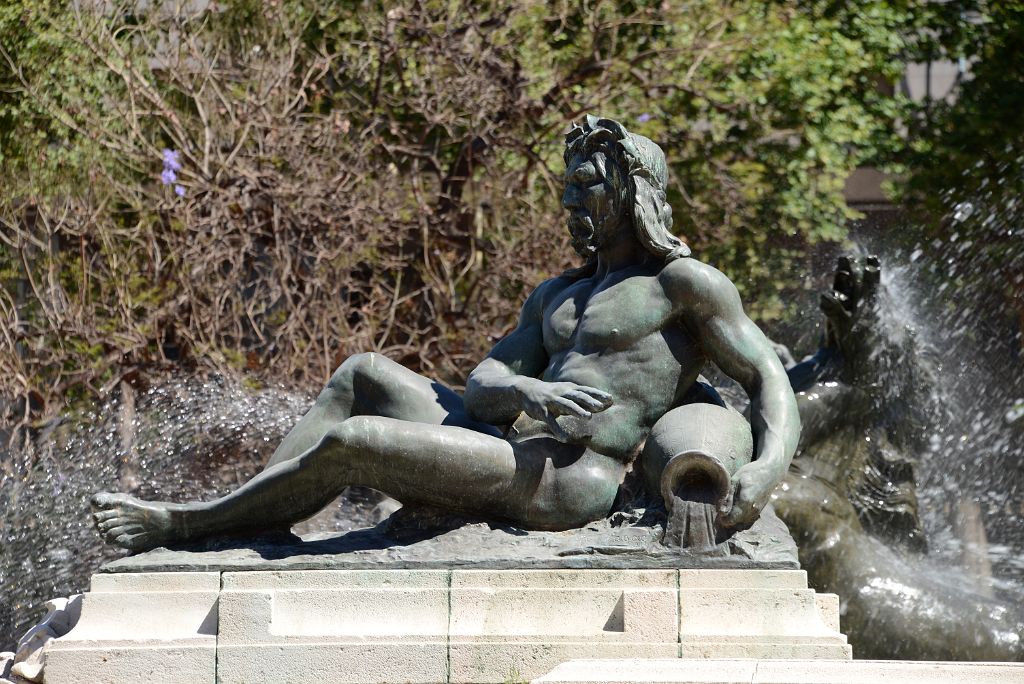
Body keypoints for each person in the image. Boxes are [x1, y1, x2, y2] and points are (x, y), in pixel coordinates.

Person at [92, 116, 800, 552]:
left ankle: (189, 524)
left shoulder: (685, 285)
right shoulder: (558, 293)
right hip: (514, 442)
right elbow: (484, 383)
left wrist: (765, 471)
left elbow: (768, 378)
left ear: (632, 191)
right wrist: (527, 387)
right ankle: (255, 518)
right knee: (360, 374)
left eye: (585, 185)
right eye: (565, 186)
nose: (568, 200)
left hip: (570, 477)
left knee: (353, 442)